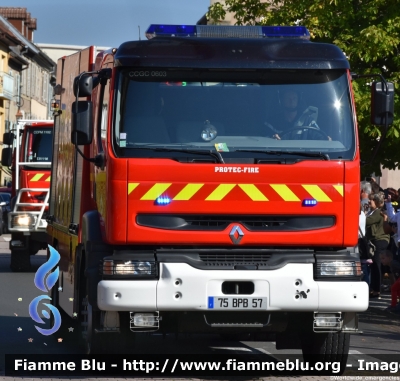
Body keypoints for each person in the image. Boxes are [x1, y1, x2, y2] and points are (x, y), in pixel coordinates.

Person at [366, 193, 390, 298]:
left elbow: (367, 221)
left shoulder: (377, 212)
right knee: (374, 265)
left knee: (377, 265)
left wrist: (363, 214)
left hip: (380, 240)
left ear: (376, 202)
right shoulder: (374, 212)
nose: (369, 202)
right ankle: (375, 288)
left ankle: (377, 290)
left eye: (371, 200)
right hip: (377, 240)